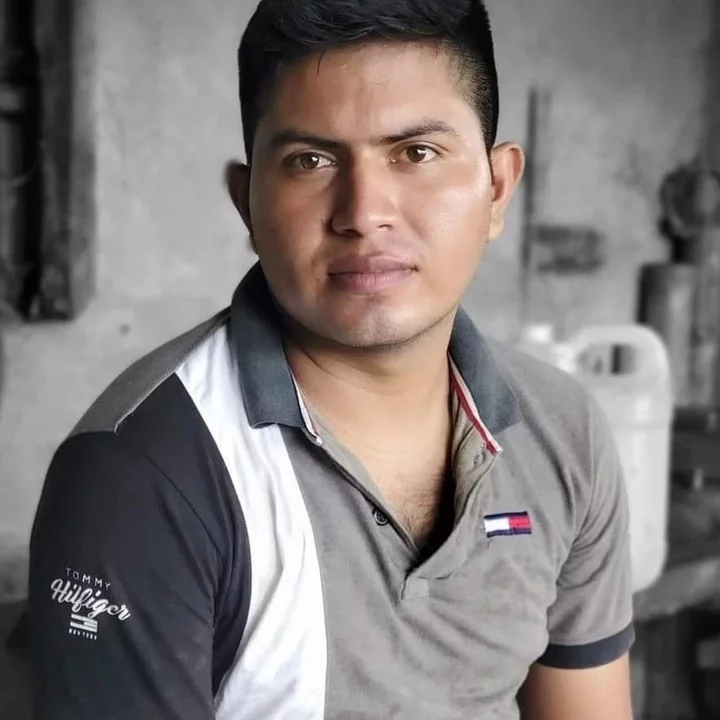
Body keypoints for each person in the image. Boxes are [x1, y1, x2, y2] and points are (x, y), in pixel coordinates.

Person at [26, 0, 635, 718]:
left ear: (497, 187)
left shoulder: (562, 431)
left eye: (417, 153)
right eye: (310, 161)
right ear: (247, 203)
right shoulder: (146, 474)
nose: (364, 213)